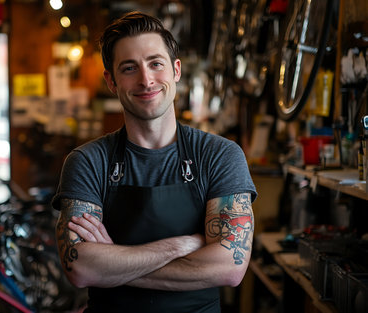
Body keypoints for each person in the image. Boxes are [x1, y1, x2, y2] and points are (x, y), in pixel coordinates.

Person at [52, 11, 257, 313]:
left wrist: (113, 265)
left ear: (176, 70)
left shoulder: (219, 156)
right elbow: (80, 268)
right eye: (129, 68)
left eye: (155, 64)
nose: (146, 80)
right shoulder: (87, 162)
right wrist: (180, 246)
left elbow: (229, 267)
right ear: (111, 81)